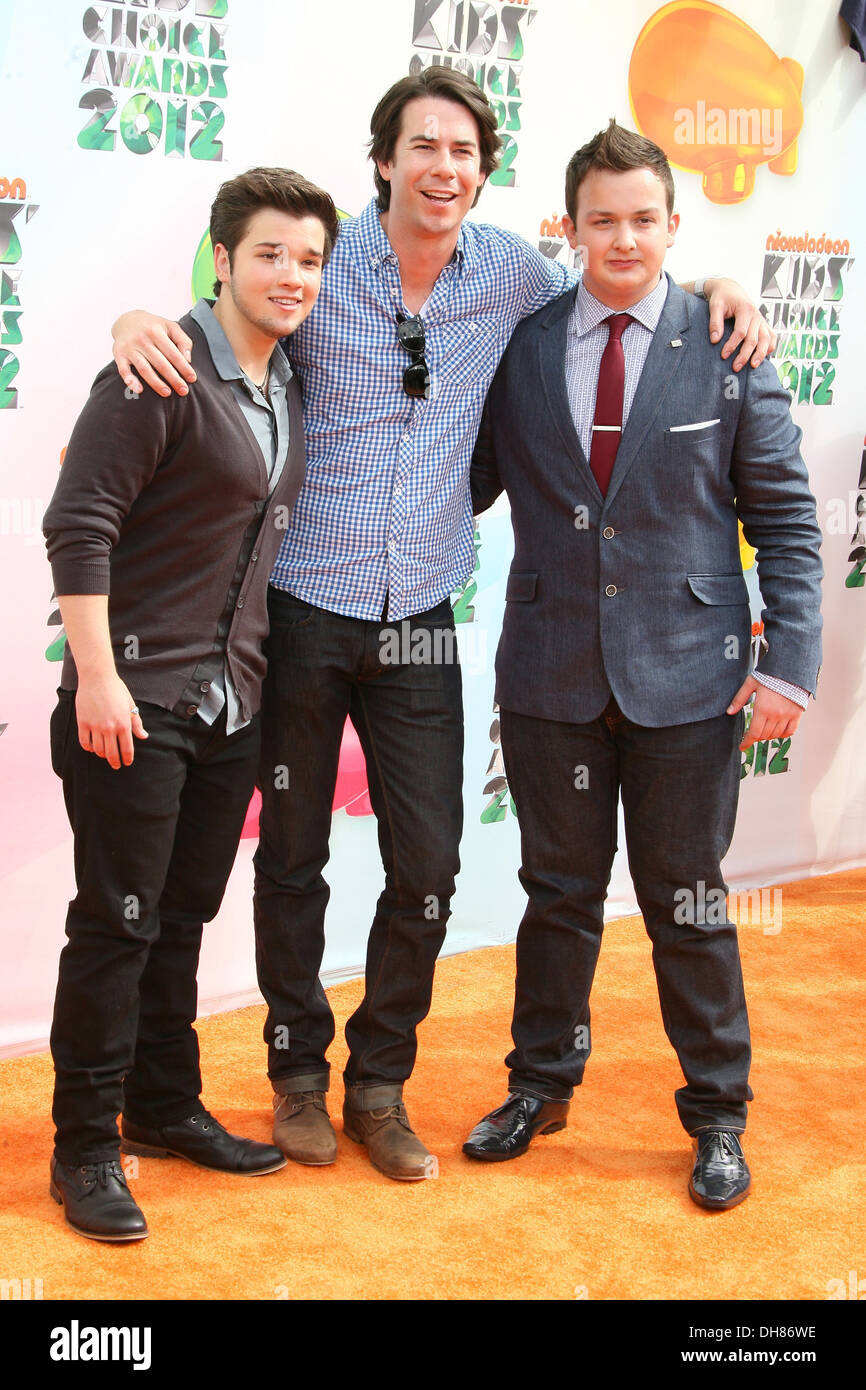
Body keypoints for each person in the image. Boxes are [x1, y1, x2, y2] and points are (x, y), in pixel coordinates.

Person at [110, 71, 776, 1183]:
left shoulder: (513, 272)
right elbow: (230, 318)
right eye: (423, 145)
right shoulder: (322, 262)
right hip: (302, 608)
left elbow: (622, 275)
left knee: (427, 865)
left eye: (464, 151)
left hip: (421, 612)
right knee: (293, 858)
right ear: (384, 160)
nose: (444, 168)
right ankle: (297, 1079)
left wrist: (721, 288)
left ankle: (380, 1082)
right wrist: (140, 319)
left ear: (483, 169)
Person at [463, 121, 822, 1209]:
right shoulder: (517, 346)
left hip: (691, 678)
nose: (622, 238)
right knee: (556, 894)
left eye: (643, 219)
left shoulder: (728, 345)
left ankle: (716, 1111)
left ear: (673, 225)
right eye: (600, 220)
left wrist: (786, 667)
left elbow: (789, 524)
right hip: (548, 677)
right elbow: (462, 475)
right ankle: (539, 1082)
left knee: (688, 902)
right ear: (567, 229)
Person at [43, 168, 340, 1241]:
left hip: (229, 708)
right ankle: (83, 1148)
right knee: (115, 926)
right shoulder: (155, 370)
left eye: (308, 257)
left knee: (179, 920)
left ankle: (162, 1106)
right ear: (222, 259)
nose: (290, 274)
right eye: (269, 253)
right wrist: (99, 678)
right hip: (133, 696)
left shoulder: (291, 384)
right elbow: (77, 524)